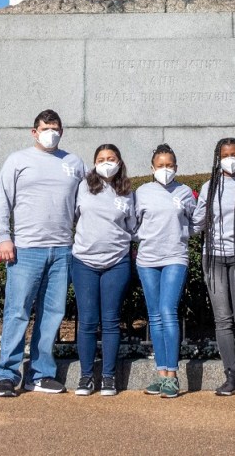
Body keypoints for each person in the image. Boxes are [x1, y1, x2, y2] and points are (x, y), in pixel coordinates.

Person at [0, 109, 86, 398]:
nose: (51, 132)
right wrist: (3, 237)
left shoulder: (74, 163)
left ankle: (41, 374)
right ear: (34, 131)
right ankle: (7, 375)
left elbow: (85, 205)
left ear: (62, 131)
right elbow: (1, 199)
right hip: (26, 249)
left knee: (52, 315)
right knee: (17, 312)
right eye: (46, 128)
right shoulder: (18, 160)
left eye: (56, 128)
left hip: (62, 250)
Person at [193, 138, 235, 398]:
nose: (230, 159)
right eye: (225, 154)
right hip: (213, 258)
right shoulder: (209, 187)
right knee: (222, 320)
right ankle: (230, 375)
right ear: (217, 158)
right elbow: (198, 221)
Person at [70, 144, 137, 397]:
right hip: (84, 261)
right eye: (101, 158)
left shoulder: (128, 192)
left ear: (119, 162)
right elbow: (74, 217)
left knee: (110, 321)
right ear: (94, 162)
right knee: (87, 321)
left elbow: (132, 226)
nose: (106, 162)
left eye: (111, 158)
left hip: (117, 262)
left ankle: (108, 377)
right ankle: (87, 376)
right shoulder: (83, 187)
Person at [134, 143, 197, 399]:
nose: (165, 169)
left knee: (168, 311)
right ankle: (160, 375)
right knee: (154, 315)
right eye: (160, 166)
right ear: (152, 168)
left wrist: (180, 235)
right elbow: (133, 223)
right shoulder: (142, 192)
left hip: (174, 257)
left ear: (176, 167)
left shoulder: (184, 192)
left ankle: (173, 374)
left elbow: (196, 222)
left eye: (169, 165)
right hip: (147, 259)